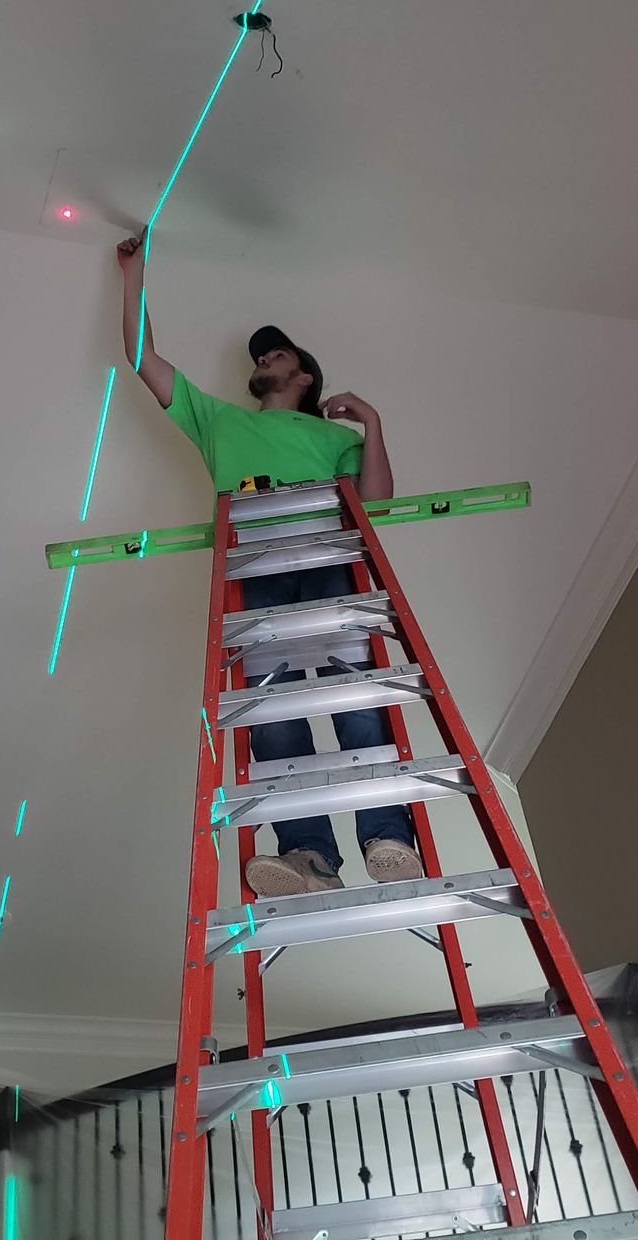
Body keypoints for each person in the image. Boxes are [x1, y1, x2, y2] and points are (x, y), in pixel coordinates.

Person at [115, 233, 421, 898]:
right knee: (273, 720)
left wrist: (372, 424)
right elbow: (140, 357)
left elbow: (377, 505)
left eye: (274, 354)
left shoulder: (333, 437)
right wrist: (135, 271)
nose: (262, 359)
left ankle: (388, 836)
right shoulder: (217, 421)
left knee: (360, 714)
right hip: (257, 578)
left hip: (330, 573)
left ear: (304, 377)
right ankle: (311, 856)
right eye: (260, 356)